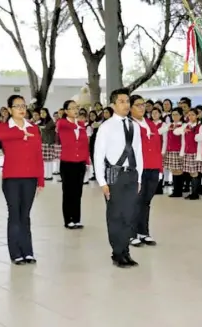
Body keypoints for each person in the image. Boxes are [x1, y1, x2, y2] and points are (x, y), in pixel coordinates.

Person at [94, 88, 143, 268]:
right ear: (113, 105)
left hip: (131, 174)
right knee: (116, 215)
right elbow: (98, 155)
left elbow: (139, 153)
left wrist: (139, 178)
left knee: (129, 215)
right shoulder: (106, 127)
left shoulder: (134, 126)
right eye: (121, 101)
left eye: (127, 101)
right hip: (114, 175)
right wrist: (102, 181)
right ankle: (117, 252)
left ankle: (126, 251)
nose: (126, 105)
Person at [0, 95, 44, 265]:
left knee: (25, 215)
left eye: (23, 105)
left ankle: (27, 251)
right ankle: (15, 252)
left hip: (30, 178)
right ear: (9, 110)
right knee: (14, 215)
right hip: (12, 178)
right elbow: (1, 136)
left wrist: (41, 179)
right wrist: (21, 134)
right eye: (17, 106)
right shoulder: (3, 127)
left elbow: (38, 154)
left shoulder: (34, 128)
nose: (21, 109)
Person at [129, 95, 162, 247]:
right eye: (138, 105)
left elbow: (157, 147)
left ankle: (143, 232)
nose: (142, 107)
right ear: (130, 108)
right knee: (135, 201)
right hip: (137, 169)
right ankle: (131, 233)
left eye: (143, 104)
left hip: (153, 167)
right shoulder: (129, 124)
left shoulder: (150, 124)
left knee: (146, 201)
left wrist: (160, 168)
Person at [57, 100, 90, 229]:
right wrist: (79, 126)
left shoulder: (81, 125)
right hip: (67, 163)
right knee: (68, 192)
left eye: (76, 108)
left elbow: (84, 145)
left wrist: (87, 161)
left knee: (78, 192)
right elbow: (67, 127)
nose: (75, 110)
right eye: (72, 108)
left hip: (80, 162)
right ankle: (68, 219)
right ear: (66, 111)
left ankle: (77, 218)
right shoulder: (62, 123)